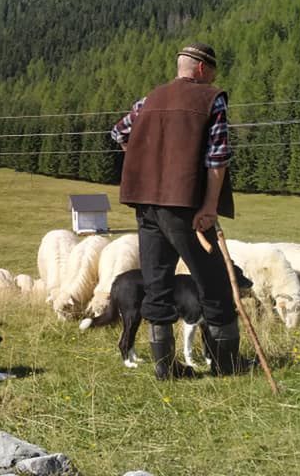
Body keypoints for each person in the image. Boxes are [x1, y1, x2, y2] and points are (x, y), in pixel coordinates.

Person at [111, 42, 241, 379]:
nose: (214, 76)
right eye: (213, 70)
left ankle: (165, 369)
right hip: (185, 207)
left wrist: (146, 160)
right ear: (202, 68)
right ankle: (226, 365)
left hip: (146, 206)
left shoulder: (150, 99)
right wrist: (209, 205)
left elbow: (119, 132)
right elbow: (217, 158)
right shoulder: (211, 98)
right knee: (215, 284)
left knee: (157, 286)